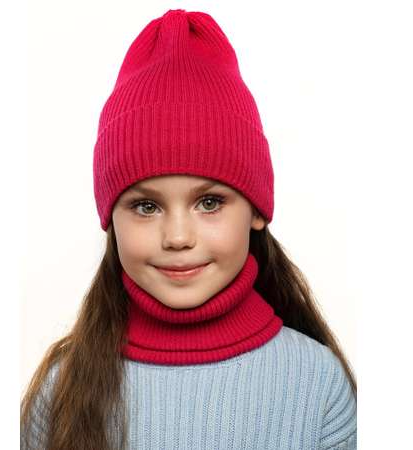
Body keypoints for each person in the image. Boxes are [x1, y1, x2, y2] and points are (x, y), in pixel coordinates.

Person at [20, 8, 357, 450]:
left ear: (257, 209)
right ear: (110, 218)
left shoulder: (317, 384)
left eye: (209, 202)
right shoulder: (60, 391)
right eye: (145, 206)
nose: (178, 237)